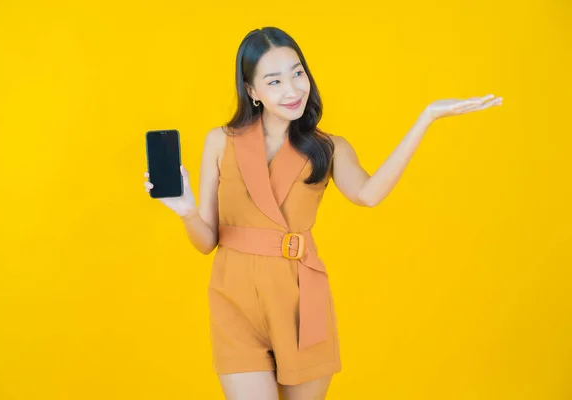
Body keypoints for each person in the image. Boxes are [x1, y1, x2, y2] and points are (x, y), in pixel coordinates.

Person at [144, 27, 502, 400]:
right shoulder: (220, 141)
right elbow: (206, 243)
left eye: (298, 73)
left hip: (301, 302)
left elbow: (369, 194)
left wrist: (424, 119)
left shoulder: (328, 148)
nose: (293, 89)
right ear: (252, 91)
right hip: (234, 302)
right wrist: (186, 212)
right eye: (275, 80)